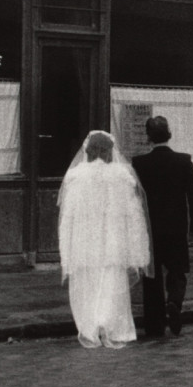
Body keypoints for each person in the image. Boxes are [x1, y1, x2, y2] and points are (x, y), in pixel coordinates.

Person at [57, 129, 152, 350]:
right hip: (113, 241)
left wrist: (67, 251)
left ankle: (90, 326)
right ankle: (111, 326)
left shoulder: (75, 177)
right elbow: (133, 216)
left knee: (86, 287)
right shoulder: (122, 176)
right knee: (112, 286)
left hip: (85, 242)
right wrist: (136, 249)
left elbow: (67, 218)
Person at [132, 116, 193, 337]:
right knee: (177, 271)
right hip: (176, 227)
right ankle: (174, 301)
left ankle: (155, 325)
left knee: (152, 277)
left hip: (150, 230)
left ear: (148, 137)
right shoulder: (183, 161)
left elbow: (135, 200)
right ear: (169, 134)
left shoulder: (139, 164)